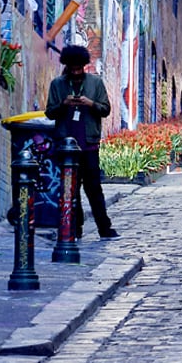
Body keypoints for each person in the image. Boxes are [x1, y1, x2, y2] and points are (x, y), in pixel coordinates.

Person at [45, 42, 116, 239]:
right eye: (72, 68)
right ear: (67, 66)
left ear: (84, 65)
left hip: (89, 144)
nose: (76, 72)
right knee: (70, 189)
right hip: (66, 145)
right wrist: (64, 104)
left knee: (94, 188)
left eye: (79, 68)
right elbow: (50, 112)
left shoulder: (95, 83)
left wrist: (90, 103)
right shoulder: (57, 84)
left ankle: (104, 228)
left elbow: (105, 109)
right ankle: (74, 229)